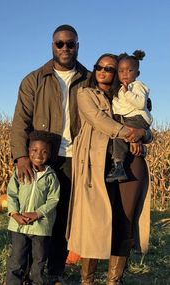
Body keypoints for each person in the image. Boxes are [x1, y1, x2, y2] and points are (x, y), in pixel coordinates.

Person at [10, 24, 92, 284]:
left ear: (77, 46)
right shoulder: (34, 79)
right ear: (52, 46)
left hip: (74, 158)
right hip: (39, 158)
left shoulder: (88, 79)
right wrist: (21, 156)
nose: (65, 48)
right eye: (60, 43)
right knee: (30, 218)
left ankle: (55, 272)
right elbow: (20, 121)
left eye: (70, 43)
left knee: (62, 218)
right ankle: (25, 273)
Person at [66, 53, 152, 285]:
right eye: (99, 67)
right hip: (96, 165)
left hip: (131, 163)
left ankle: (113, 280)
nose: (104, 71)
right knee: (95, 222)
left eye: (110, 68)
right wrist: (131, 134)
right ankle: (88, 280)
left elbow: (145, 120)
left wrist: (144, 134)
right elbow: (99, 121)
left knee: (124, 220)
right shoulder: (85, 93)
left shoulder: (126, 94)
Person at [6, 130, 60, 285]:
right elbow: (11, 194)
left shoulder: (51, 176)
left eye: (44, 152)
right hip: (19, 226)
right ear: (28, 151)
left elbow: (53, 199)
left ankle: (35, 282)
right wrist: (14, 214)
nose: (39, 155)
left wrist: (38, 214)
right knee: (17, 258)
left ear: (49, 154)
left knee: (39, 259)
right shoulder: (19, 172)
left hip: (41, 227)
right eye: (34, 150)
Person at [106, 50, 153, 183]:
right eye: (121, 71)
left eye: (129, 70)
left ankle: (118, 166)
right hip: (130, 118)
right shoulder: (121, 88)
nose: (125, 74)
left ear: (137, 73)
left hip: (136, 118)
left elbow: (140, 103)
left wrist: (127, 93)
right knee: (118, 137)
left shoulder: (136, 86)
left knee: (119, 135)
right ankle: (118, 166)